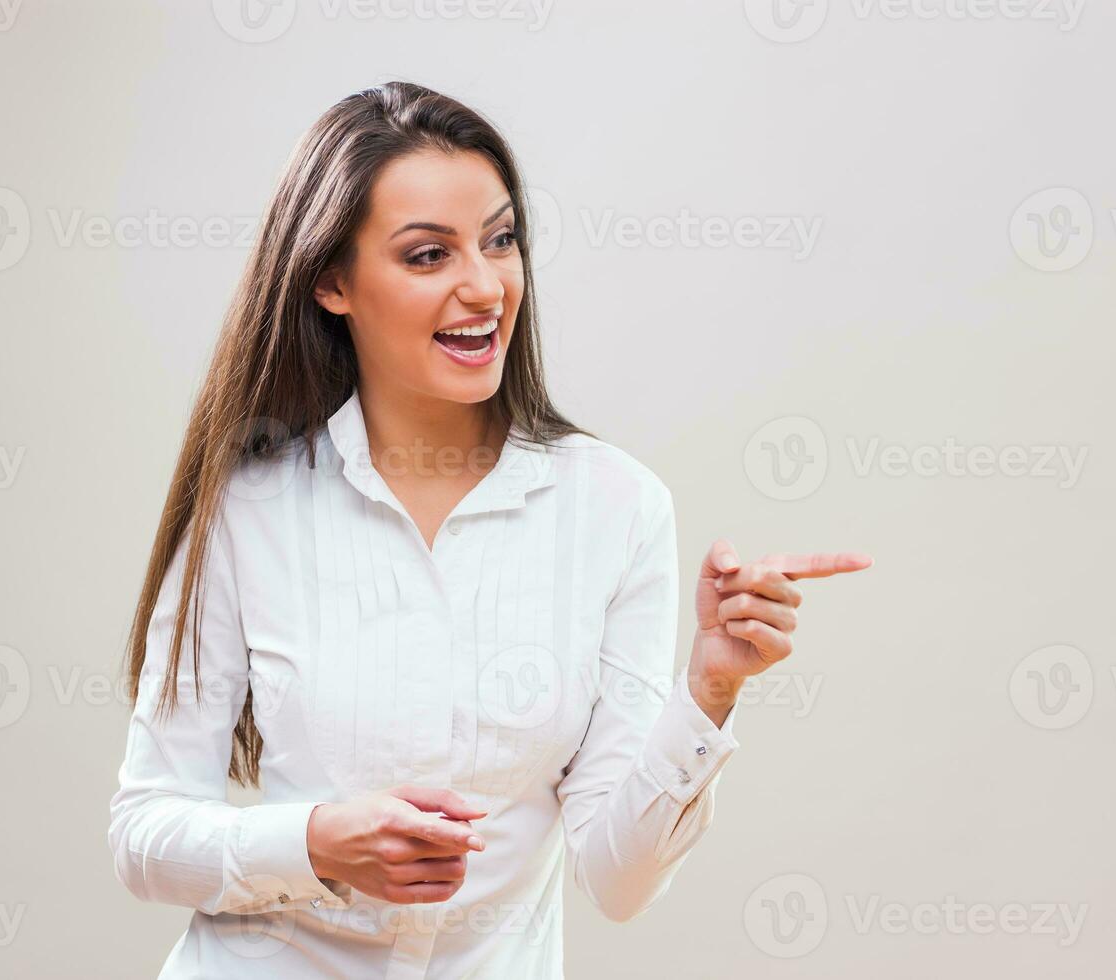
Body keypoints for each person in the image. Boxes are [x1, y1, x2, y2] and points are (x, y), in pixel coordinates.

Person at [106, 80, 871, 979]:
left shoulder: (616, 507)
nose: (485, 285)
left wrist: (706, 692)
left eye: (500, 240)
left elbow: (618, 883)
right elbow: (143, 835)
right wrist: (315, 844)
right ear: (332, 282)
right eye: (428, 255)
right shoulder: (251, 506)